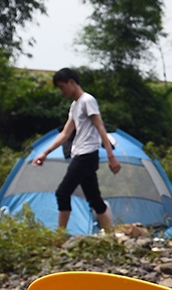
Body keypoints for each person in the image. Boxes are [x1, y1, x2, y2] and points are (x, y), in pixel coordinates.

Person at [29, 69, 120, 233]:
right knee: (95, 200)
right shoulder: (75, 105)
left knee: (62, 193)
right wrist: (45, 153)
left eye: (62, 87)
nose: (62, 91)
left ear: (71, 82)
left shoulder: (87, 100)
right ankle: (110, 235)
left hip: (87, 155)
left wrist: (111, 156)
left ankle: (60, 234)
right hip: (80, 154)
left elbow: (100, 127)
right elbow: (65, 134)